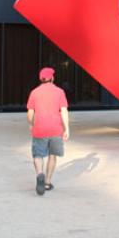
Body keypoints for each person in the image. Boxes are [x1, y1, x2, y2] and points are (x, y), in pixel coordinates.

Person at [27, 67, 69, 195]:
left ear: (41, 79)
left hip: (40, 128)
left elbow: (30, 113)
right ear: (52, 78)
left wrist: (31, 124)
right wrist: (67, 128)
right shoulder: (60, 92)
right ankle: (47, 182)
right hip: (56, 129)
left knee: (38, 155)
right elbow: (64, 111)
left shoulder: (34, 92)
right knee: (52, 155)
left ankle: (40, 174)